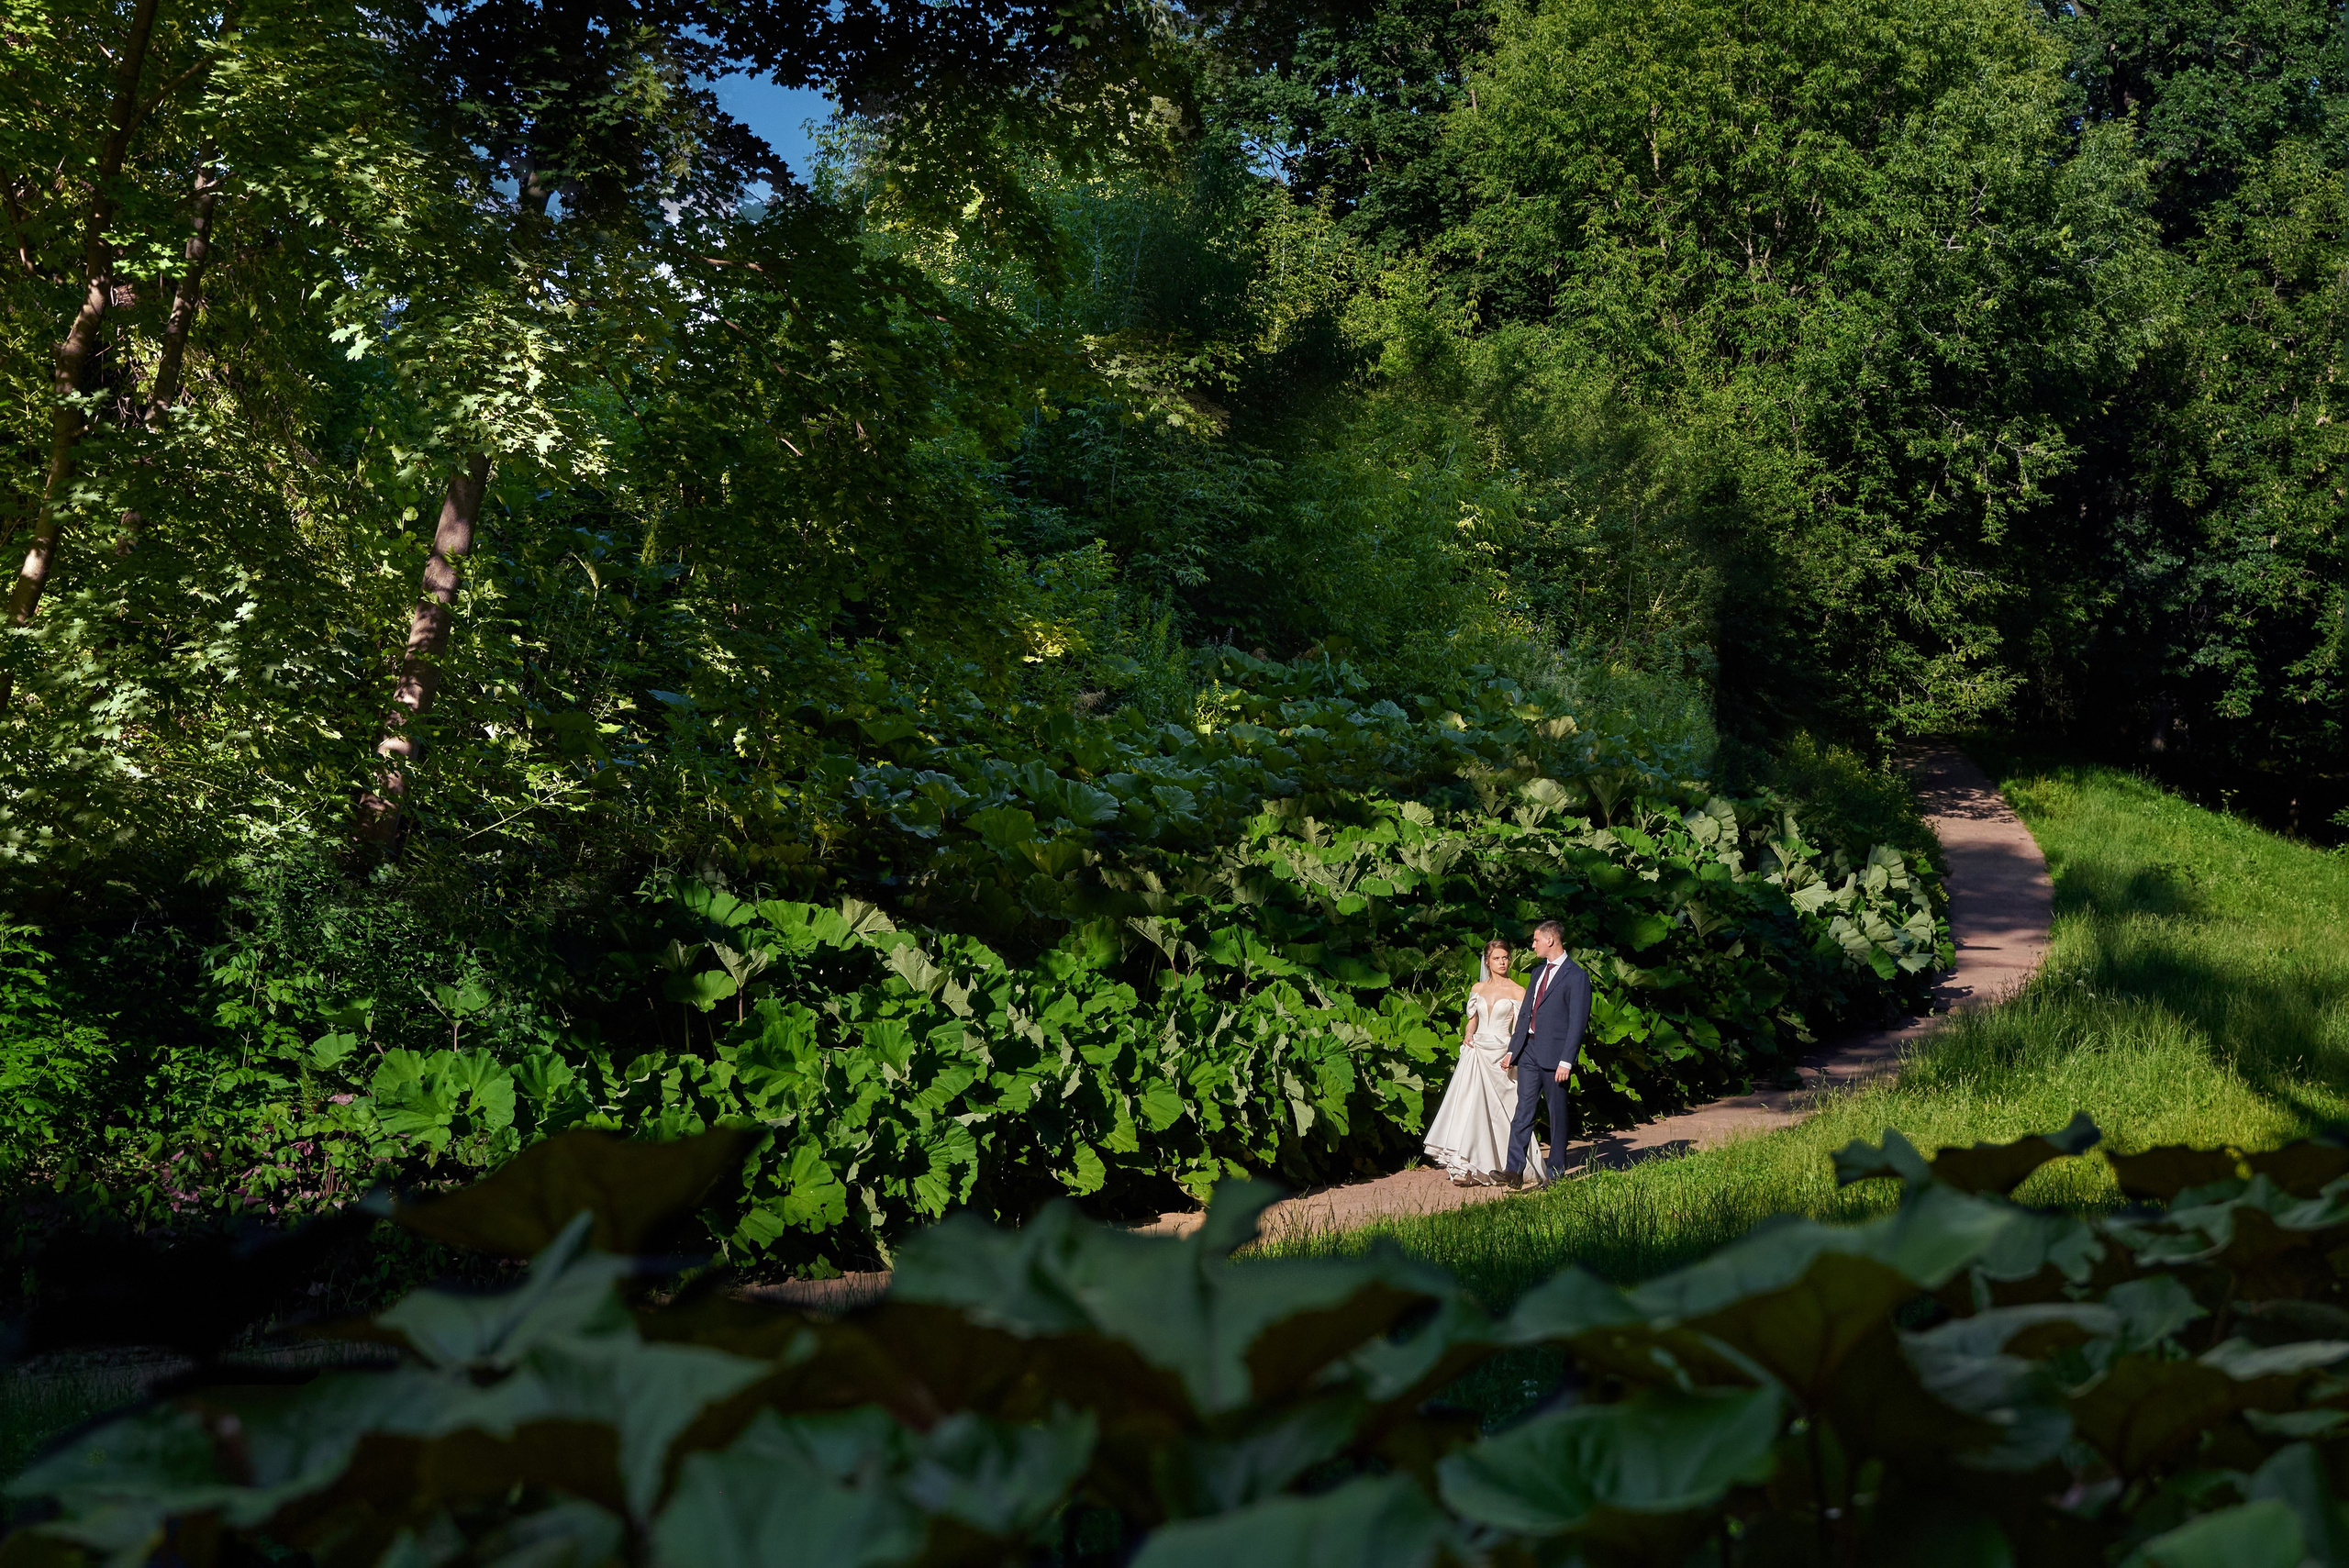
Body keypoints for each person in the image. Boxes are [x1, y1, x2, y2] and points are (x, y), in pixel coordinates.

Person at [1423, 939, 1536, 1186]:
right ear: (1487, 961)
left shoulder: (1518, 991)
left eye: (1505, 957)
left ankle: (1505, 1164)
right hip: (1478, 1051)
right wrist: (1467, 1035)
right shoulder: (1477, 988)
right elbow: (1473, 1019)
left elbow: (1519, 1029)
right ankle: (1467, 1166)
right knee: (1469, 1106)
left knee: (1501, 1110)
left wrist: (1512, 1054)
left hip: (1501, 1053)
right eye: (1497, 958)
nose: (1502, 962)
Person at [1499, 917, 1590, 1187]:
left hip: (1556, 1056)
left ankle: (1555, 1173)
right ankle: (1513, 1170)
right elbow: (1526, 1013)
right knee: (1523, 1110)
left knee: (1557, 1114)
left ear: (1550, 940)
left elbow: (1578, 1022)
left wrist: (1567, 1060)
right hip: (1529, 1050)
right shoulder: (1537, 973)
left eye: (1536, 940)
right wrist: (1512, 1051)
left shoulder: (1576, 976)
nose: (1533, 944)